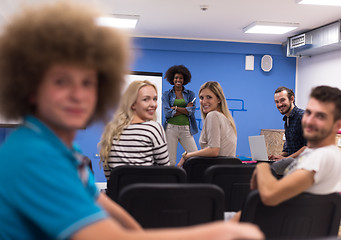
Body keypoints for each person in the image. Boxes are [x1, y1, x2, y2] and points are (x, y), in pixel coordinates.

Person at [0, 1, 264, 239]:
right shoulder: (33, 156)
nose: (77, 94)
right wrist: (221, 230)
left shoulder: (64, 150)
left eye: (88, 82)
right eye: (60, 81)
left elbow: (106, 206)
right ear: (31, 87)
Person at [251, 85, 341, 206]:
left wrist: (262, 168)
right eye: (308, 112)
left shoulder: (324, 157)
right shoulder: (312, 153)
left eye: (320, 116)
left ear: (338, 124)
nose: (309, 120)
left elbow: (270, 195)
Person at [99, 80, 170, 180]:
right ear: (132, 104)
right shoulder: (153, 128)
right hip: (148, 194)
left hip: (118, 194)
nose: (153, 104)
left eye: (155, 99)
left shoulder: (110, 131)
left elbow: (109, 176)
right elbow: (166, 173)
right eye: (146, 99)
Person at [177, 81, 237, 167]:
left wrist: (187, 156)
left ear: (219, 99)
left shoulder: (213, 115)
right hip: (224, 174)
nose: (204, 102)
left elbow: (214, 150)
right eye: (201, 98)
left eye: (209, 97)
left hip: (214, 174)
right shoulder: (227, 120)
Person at [162, 65, 198, 166]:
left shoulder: (190, 94)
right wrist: (185, 109)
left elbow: (191, 111)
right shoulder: (166, 94)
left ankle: (183, 166)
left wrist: (176, 108)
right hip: (170, 129)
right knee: (170, 161)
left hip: (186, 129)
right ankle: (171, 180)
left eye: (181, 78)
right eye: (176, 78)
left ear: (184, 79)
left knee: (195, 156)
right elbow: (167, 113)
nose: (178, 80)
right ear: (172, 79)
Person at [269, 86, 307, 160]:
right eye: (277, 102)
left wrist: (285, 159)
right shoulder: (287, 120)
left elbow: (308, 147)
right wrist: (278, 157)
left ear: (292, 99)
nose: (279, 104)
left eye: (282, 100)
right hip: (292, 164)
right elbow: (288, 149)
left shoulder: (303, 117)